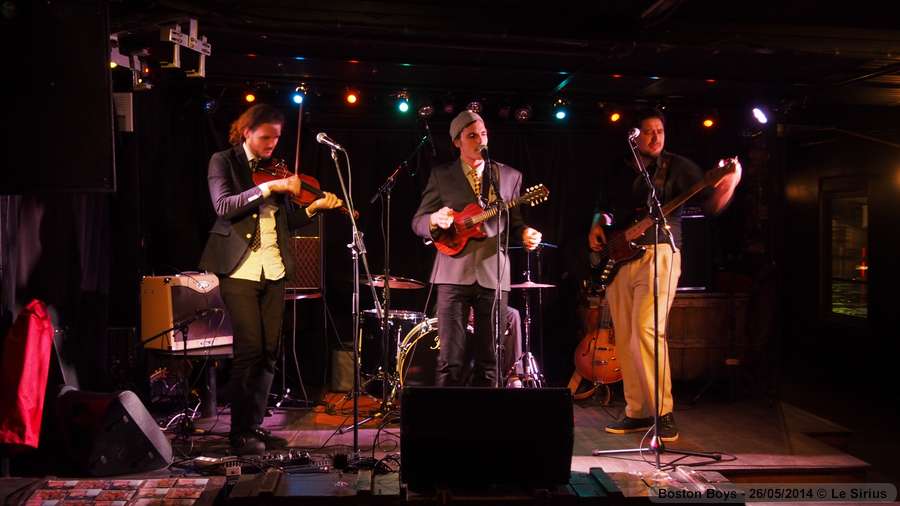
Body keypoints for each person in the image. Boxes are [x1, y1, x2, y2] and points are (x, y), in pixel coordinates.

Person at [588, 109, 741, 442]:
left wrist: (730, 182)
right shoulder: (618, 168)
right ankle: (637, 411)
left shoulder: (679, 167)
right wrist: (597, 223)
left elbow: (712, 205)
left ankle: (663, 412)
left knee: (647, 330)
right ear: (634, 136)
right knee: (626, 336)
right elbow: (603, 206)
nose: (656, 137)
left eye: (660, 131)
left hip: (658, 253)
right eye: (648, 131)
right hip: (620, 257)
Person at [199, 104, 342, 455]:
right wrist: (270, 187)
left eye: (277, 138)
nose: (272, 144)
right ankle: (238, 432)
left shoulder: (275, 170)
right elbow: (224, 206)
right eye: (265, 137)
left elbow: (287, 222)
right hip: (239, 269)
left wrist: (313, 208)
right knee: (249, 348)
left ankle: (254, 426)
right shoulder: (223, 161)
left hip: (274, 268)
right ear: (246, 131)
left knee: (269, 351)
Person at [412, 110, 542, 387]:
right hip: (452, 272)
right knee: (449, 360)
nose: (480, 140)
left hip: (493, 273)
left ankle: (486, 414)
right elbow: (418, 221)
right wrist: (433, 220)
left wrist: (526, 233)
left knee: (491, 359)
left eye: (483, 134)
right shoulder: (442, 175)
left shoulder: (509, 176)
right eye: (472, 135)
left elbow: (515, 223)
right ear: (456, 142)